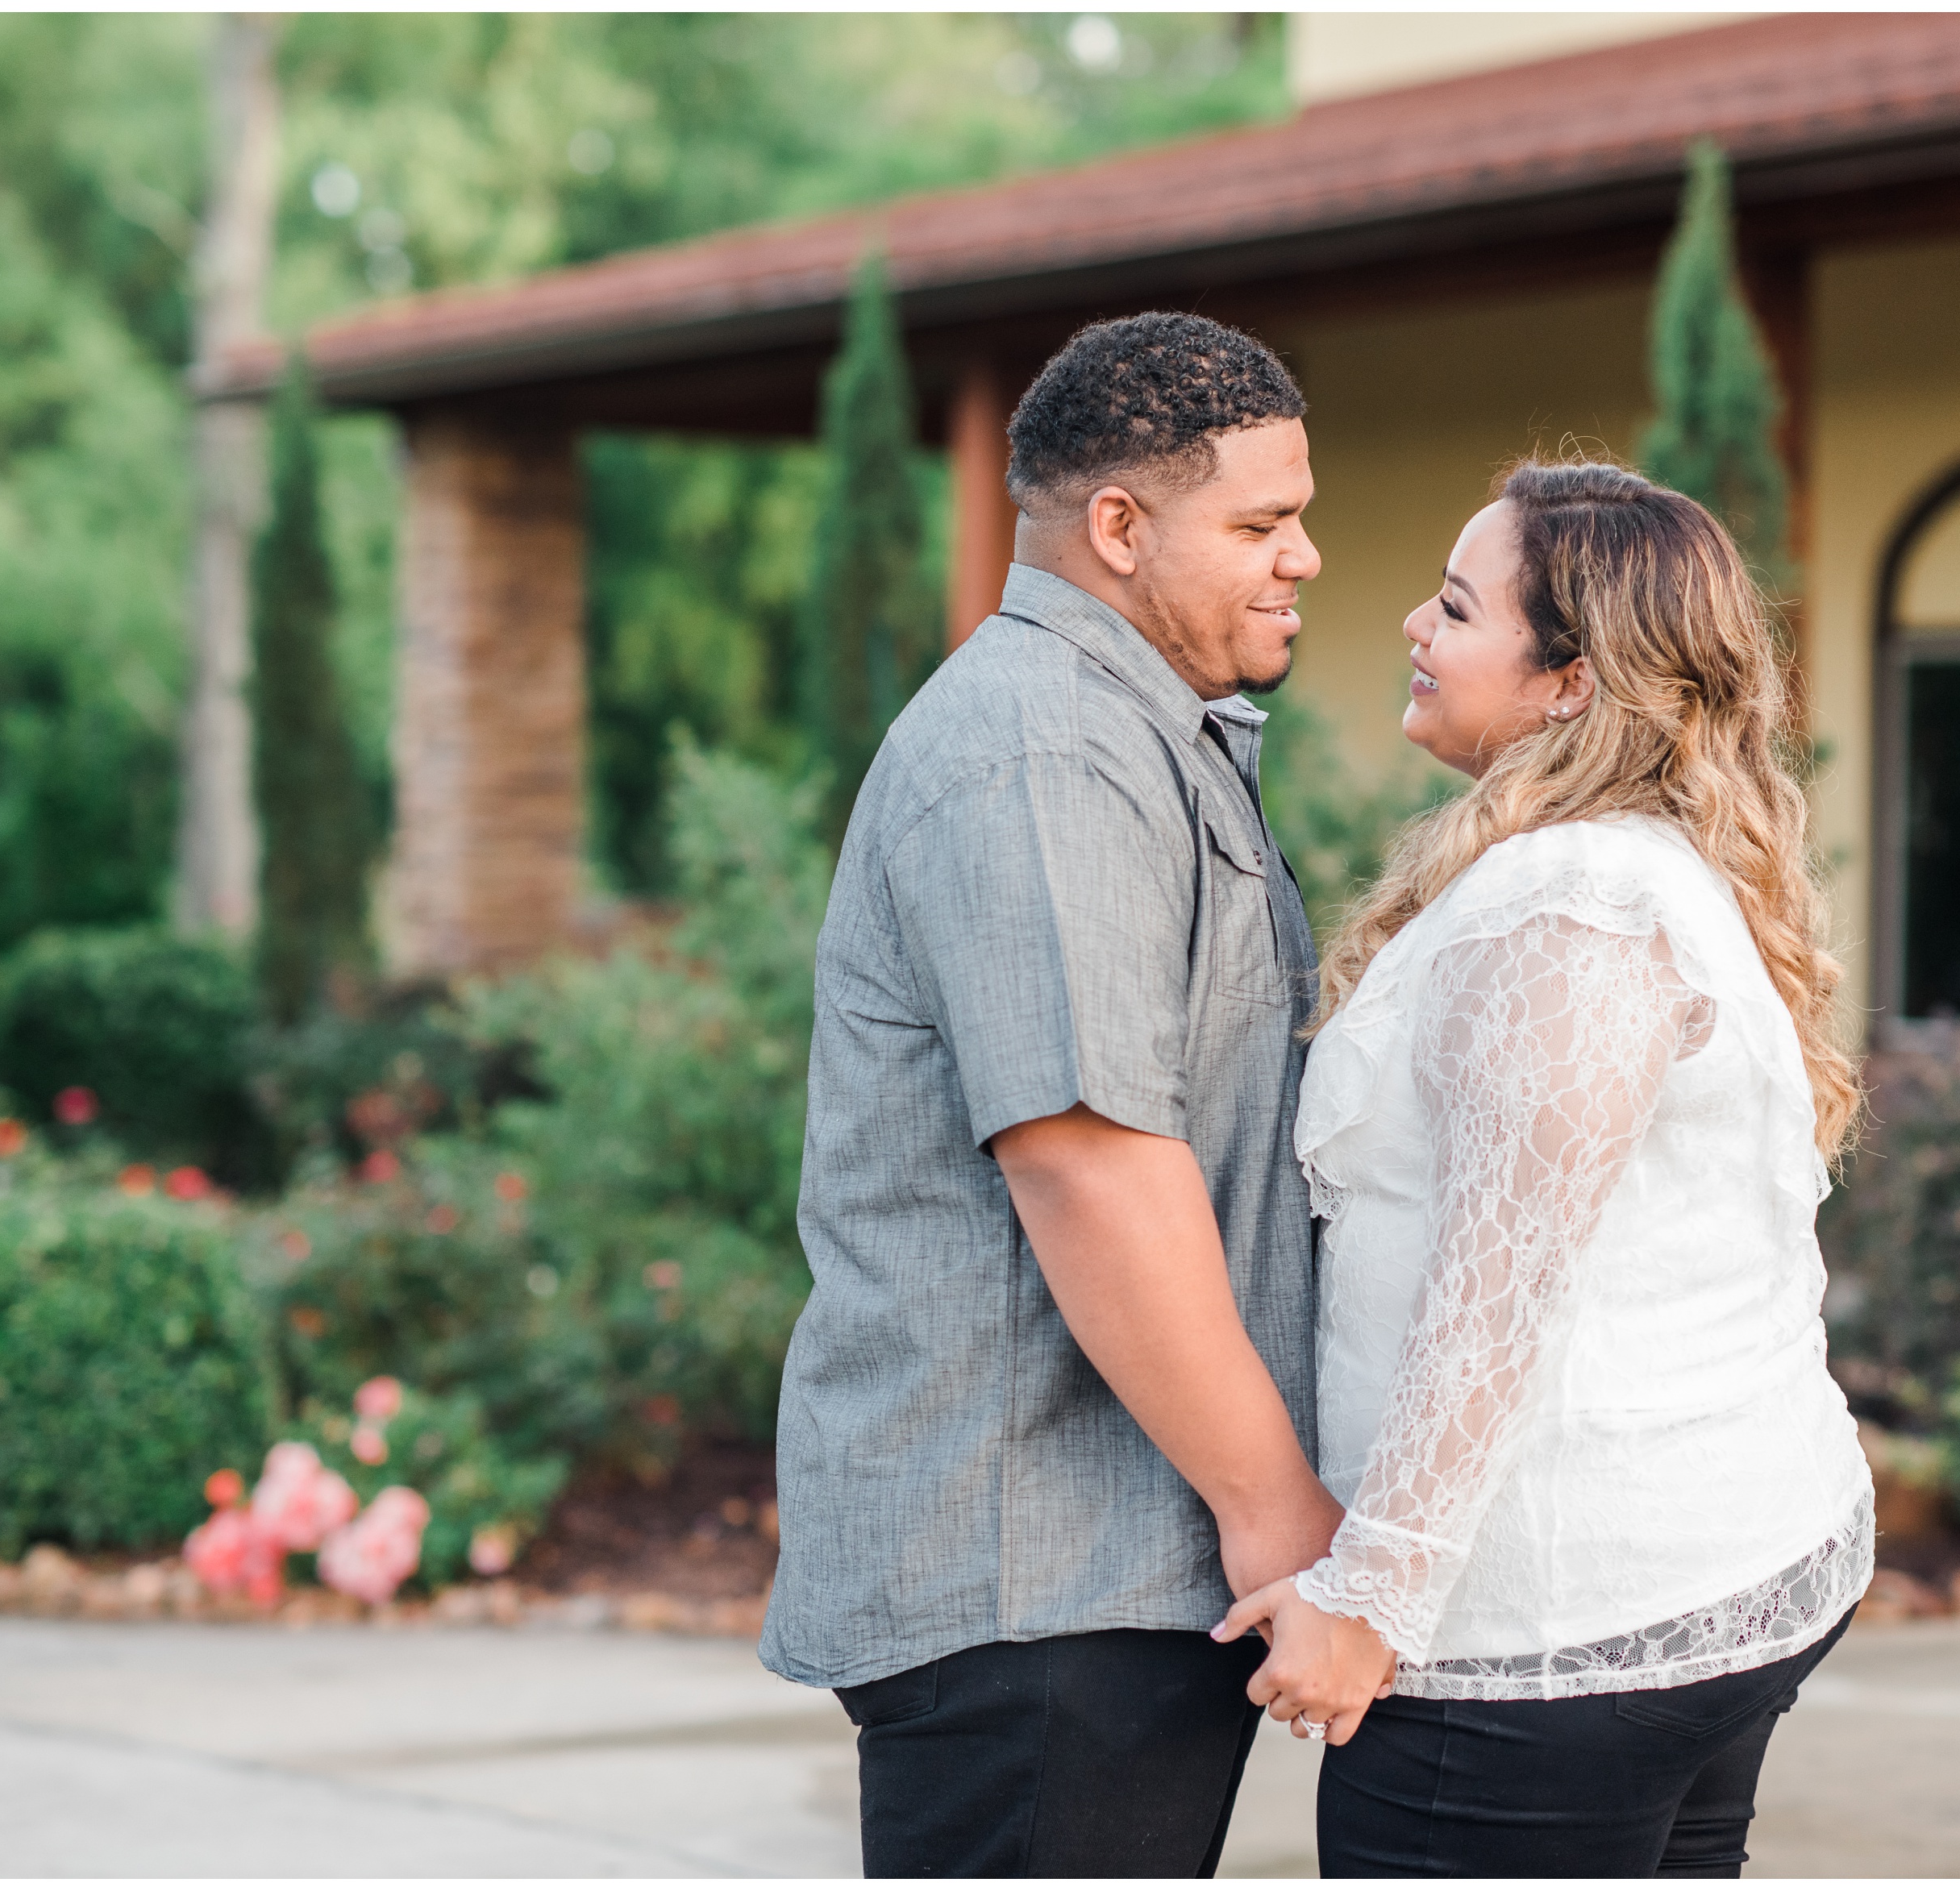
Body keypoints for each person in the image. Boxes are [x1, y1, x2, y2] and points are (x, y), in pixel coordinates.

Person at [1215, 459, 1875, 1877]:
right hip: (1693, 1585)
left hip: (1554, 1634)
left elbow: (1501, 1283)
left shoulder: (1575, 904)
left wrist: (1370, 1598)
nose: (1412, 623)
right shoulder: (1621, 870)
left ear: (1573, 682)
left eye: (1456, 607)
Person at [760, 312, 1347, 1877]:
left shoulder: (1130, 732)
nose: (1302, 558)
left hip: (1100, 1582)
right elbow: (1088, 1163)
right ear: (1117, 527)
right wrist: (1278, 1509)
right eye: (1260, 524)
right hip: (1043, 1583)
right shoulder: (1043, 752)